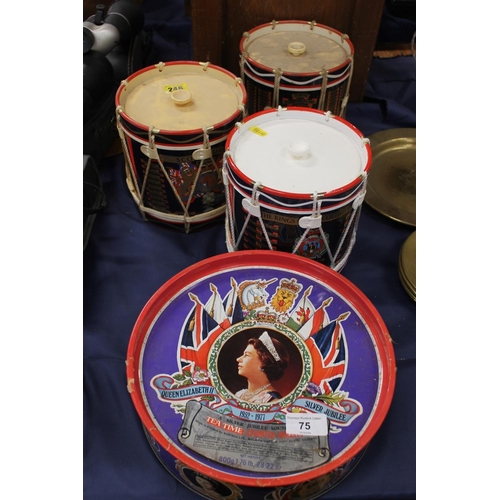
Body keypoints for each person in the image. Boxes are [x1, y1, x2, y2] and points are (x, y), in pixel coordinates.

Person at [235, 331, 289, 403]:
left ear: (263, 362)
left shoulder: (272, 400)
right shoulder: (239, 394)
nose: (238, 359)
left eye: (247, 355)